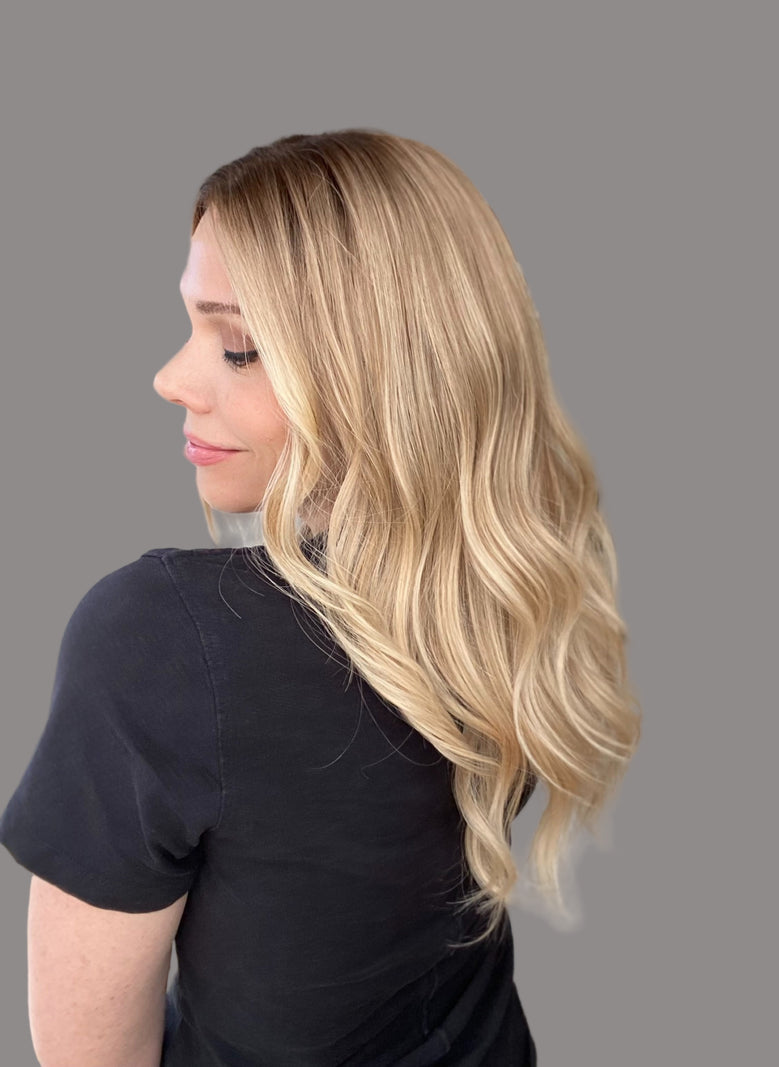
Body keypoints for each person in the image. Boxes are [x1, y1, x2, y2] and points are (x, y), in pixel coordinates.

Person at [0, 128, 642, 1066]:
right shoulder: (515, 579)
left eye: (240, 347)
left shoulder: (163, 644)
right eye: (193, 327)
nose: (171, 379)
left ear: (380, 372)